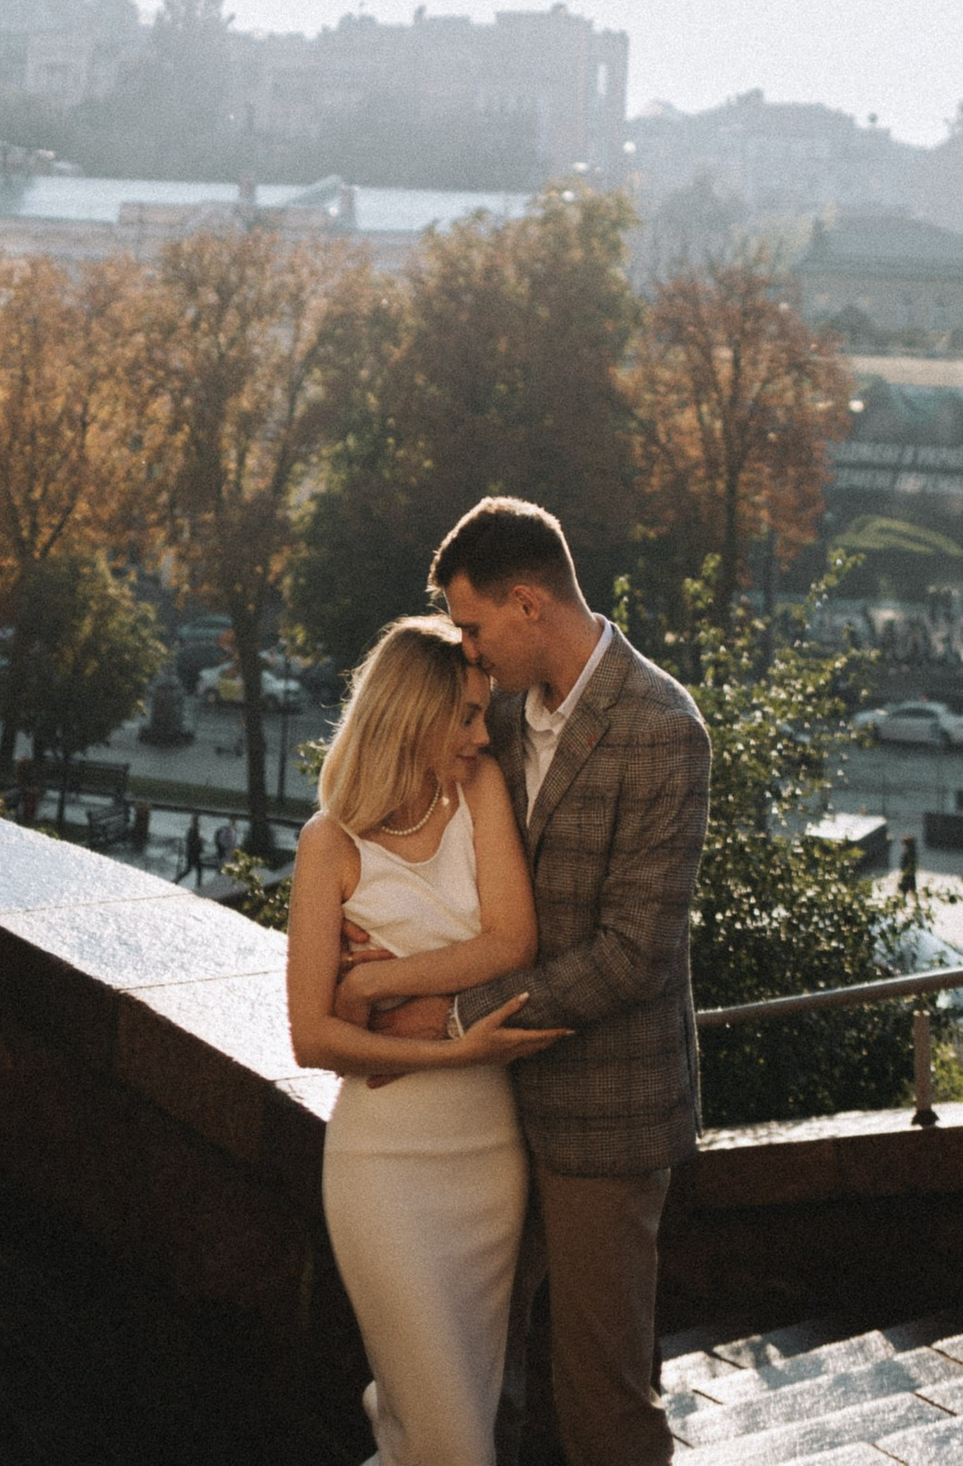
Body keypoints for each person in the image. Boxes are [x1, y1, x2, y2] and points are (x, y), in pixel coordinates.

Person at [369, 496, 709, 1466]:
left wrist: (452, 1013)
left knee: (599, 1395)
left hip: (606, 1113)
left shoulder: (663, 727)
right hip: (488, 1101)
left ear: (527, 604)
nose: (466, 654)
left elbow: (632, 954)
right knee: (471, 1370)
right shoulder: (501, 715)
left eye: (472, 628)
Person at [286, 614, 569, 1466]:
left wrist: (375, 982)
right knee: (449, 1441)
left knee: (448, 1437)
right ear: (410, 715)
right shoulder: (326, 845)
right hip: (382, 1167)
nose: (485, 736)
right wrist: (452, 1054)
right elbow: (311, 1037)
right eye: (468, 716)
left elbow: (512, 946)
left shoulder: (476, 791)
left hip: (487, 1159)